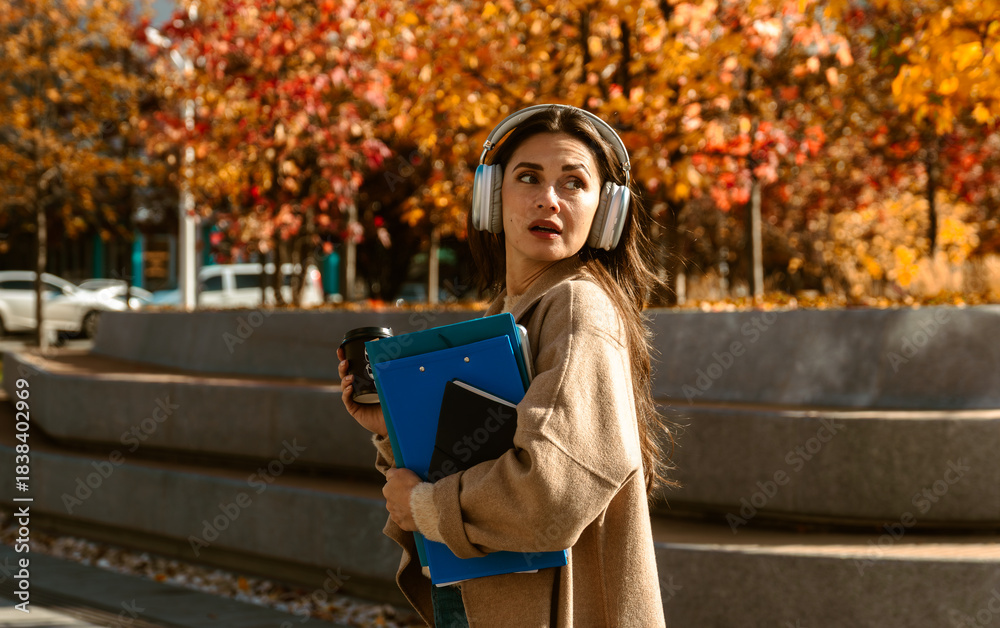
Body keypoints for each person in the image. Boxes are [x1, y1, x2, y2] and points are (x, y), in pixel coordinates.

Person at [337, 104, 673, 627]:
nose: (548, 199)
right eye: (528, 177)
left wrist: (425, 506)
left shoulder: (578, 307)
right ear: (492, 197)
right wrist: (394, 428)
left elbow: (553, 491)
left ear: (605, 211)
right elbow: (472, 453)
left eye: (573, 183)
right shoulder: (504, 313)